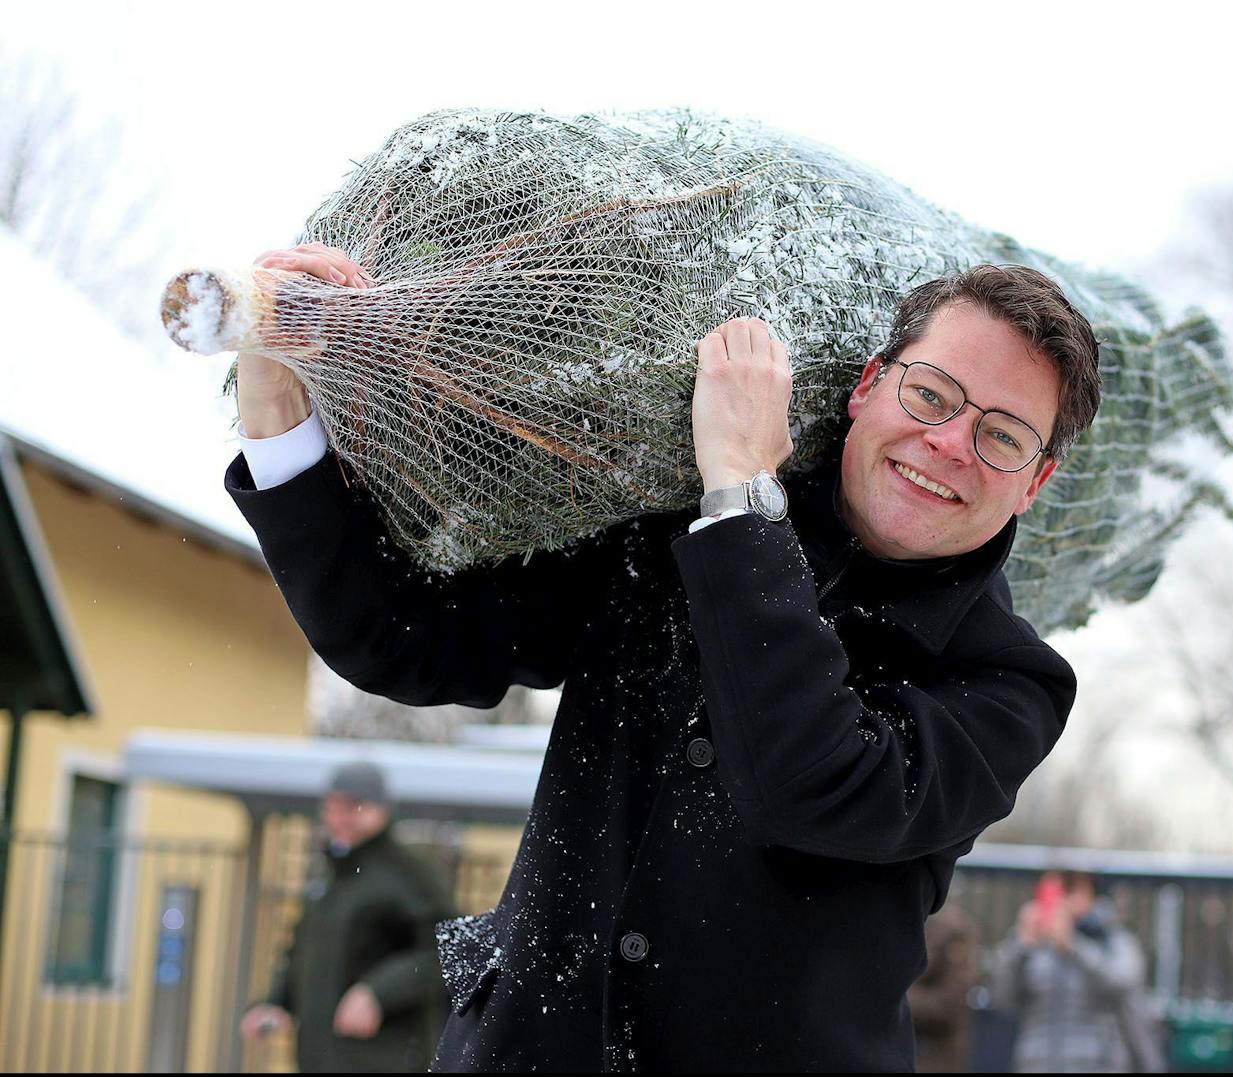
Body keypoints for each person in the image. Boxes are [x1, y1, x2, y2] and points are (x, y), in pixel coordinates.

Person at [226, 242, 1103, 1071]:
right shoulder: (672, 516)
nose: (951, 442)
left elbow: (809, 785)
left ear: (1036, 480)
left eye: (1002, 435)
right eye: (933, 394)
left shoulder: (1007, 681)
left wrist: (741, 497)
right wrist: (278, 419)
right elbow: (409, 640)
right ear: (867, 386)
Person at [239, 761, 456, 1072]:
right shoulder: (330, 878)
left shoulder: (408, 874)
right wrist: (275, 1003)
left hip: (383, 1060)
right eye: (333, 806)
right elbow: (301, 954)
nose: (340, 817)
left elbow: (445, 951)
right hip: (321, 1059)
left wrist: (378, 992)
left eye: (354, 805)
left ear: (381, 810)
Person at [990, 871, 1166, 1073]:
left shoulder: (1112, 937)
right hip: (1037, 1064)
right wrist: (1020, 947)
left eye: (1068, 891)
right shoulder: (1032, 941)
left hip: (1098, 1064)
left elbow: (1124, 982)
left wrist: (1074, 946)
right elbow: (1003, 999)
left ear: (1089, 895)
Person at [908, 902, 981, 1072]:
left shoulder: (951, 930)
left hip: (934, 1059)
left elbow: (947, 1007)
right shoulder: (897, 922)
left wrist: (897, 996)